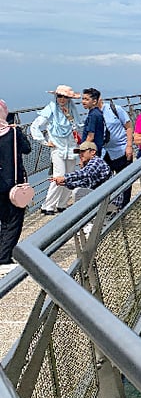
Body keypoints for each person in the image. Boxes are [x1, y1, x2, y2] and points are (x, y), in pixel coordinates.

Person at [30, 84, 81, 215]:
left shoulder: (71, 108)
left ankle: (62, 204)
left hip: (71, 146)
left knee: (69, 175)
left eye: (65, 97)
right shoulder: (51, 109)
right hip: (57, 147)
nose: (62, 99)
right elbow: (35, 125)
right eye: (59, 96)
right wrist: (44, 141)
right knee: (59, 176)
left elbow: (75, 125)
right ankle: (48, 206)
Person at [0, 100, 32, 270]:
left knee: (4, 219)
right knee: (13, 221)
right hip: (12, 184)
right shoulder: (13, 132)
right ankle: (4, 258)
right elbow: (27, 149)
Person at [98, 93, 134, 209]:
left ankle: (124, 207)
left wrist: (129, 146)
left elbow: (128, 126)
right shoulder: (93, 114)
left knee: (125, 180)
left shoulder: (115, 109)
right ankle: (109, 206)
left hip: (121, 150)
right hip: (105, 152)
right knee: (104, 181)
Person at [81, 88, 106, 154]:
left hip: (91, 151)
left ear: (94, 101)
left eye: (86, 99)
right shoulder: (98, 112)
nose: (83, 102)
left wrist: (83, 151)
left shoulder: (93, 115)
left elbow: (90, 136)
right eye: (83, 99)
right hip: (97, 149)